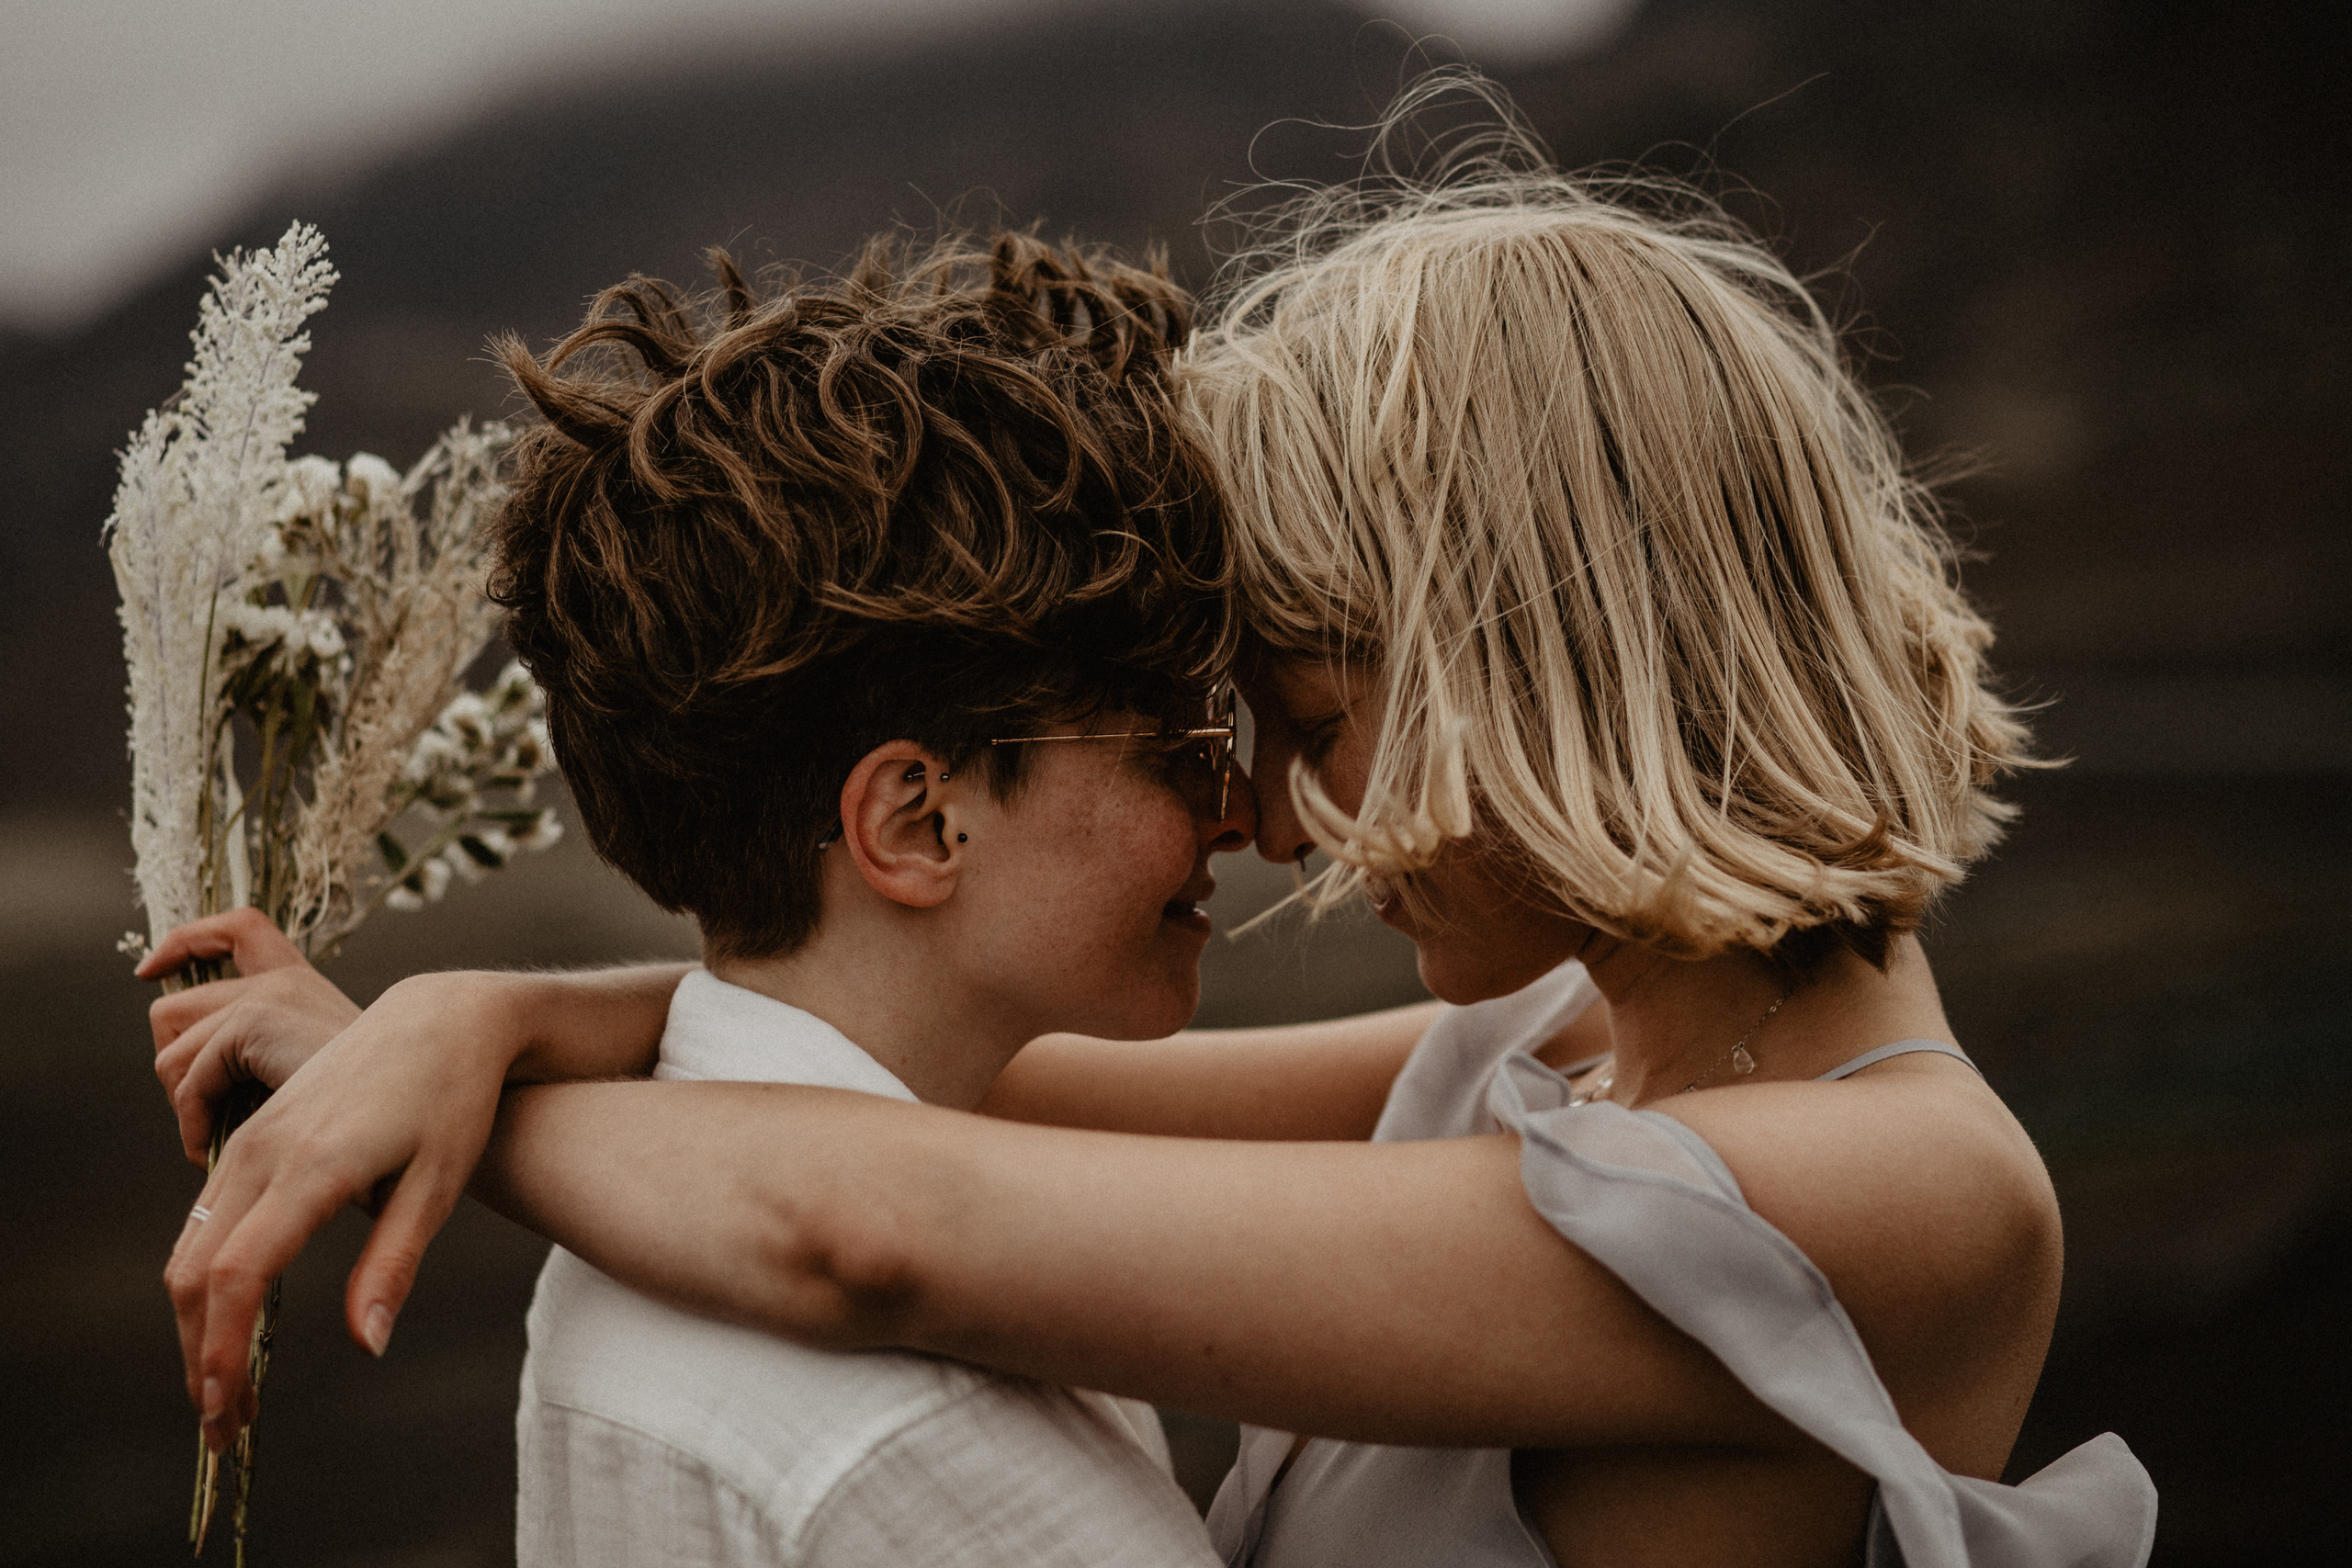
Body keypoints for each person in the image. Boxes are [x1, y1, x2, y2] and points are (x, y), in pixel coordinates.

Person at [151, 84, 2155, 1567]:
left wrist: (437, 1087)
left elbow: (869, 1216)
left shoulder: (1902, 1195)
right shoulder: (1565, 1043)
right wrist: (463, 1016)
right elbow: (943, 1088)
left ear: (1516, 658)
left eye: (1307, 717)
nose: (1279, 814)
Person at [158, 231, 1272, 1567]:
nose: (1242, 814)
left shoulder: (639, 1268)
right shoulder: (920, 1439)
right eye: (1185, 750)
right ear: (916, 822)